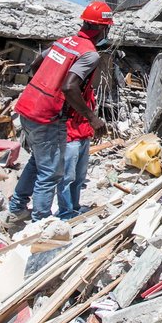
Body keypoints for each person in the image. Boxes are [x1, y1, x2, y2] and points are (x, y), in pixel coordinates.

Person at [1, 1, 112, 224]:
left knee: (37, 162)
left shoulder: (64, 42)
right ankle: (42, 224)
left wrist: (43, 86)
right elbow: (70, 86)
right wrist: (93, 118)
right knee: (51, 172)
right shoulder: (89, 54)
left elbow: (36, 63)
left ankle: (16, 209)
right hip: (47, 116)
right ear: (103, 28)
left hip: (28, 107)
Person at [56, 74, 98, 220]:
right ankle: (66, 213)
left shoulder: (88, 88)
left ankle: (75, 207)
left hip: (84, 135)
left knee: (79, 177)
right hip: (70, 136)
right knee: (66, 178)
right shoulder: (71, 89)